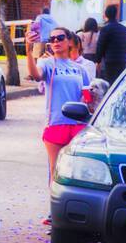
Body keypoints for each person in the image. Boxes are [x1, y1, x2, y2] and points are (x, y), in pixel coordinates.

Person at [26, 24, 91, 180]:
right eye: (52, 39)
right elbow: (36, 75)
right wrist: (28, 51)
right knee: (56, 172)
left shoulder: (80, 69)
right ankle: (56, 204)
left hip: (78, 126)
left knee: (78, 172)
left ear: (69, 42)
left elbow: (88, 96)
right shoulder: (47, 64)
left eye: (60, 38)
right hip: (56, 123)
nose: (56, 41)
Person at [92, 4, 126, 85]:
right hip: (122, 60)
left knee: (110, 84)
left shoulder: (105, 29)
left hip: (110, 62)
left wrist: (97, 61)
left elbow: (100, 46)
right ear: (116, 14)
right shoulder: (124, 29)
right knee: (120, 84)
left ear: (106, 14)